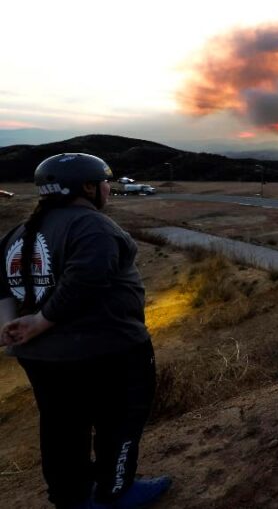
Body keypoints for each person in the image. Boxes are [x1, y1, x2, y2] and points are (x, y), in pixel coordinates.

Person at [0, 153, 171, 509]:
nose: (109, 188)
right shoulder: (92, 225)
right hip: (109, 349)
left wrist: (8, 328)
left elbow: (2, 286)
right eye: (105, 181)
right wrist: (42, 320)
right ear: (89, 187)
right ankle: (116, 492)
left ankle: (70, 498)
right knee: (120, 421)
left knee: (62, 429)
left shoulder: (18, 233)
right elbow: (87, 279)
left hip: (41, 357)